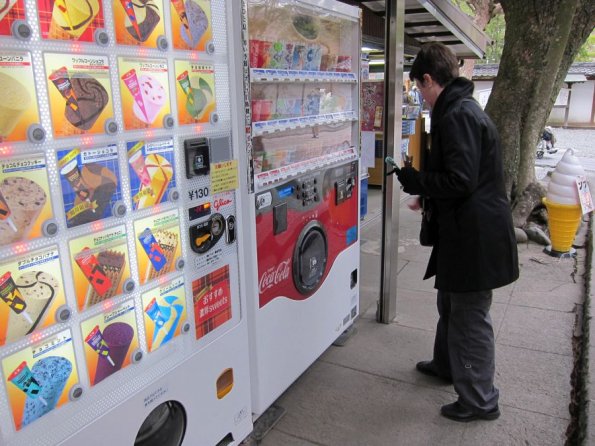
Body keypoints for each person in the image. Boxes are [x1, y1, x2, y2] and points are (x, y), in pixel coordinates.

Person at [394, 42, 519, 422]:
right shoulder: (459, 109)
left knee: (469, 316)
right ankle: (447, 365)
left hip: (474, 238)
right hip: (465, 232)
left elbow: (460, 180)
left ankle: (480, 400)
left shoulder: (458, 115)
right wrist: (427, 195)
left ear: (429, 79)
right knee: (450, 305)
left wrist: (419, 180)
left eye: (418, 88)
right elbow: (464, 177)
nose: (420, 96)